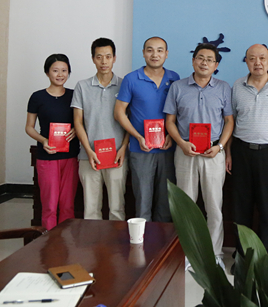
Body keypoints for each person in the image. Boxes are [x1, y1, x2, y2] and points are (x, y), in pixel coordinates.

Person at [165, 42, 234, 269]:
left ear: (216, 65)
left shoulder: (223, 88)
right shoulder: (177, 87)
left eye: (210, 60)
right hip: (185, 152)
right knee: (186, 206)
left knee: (214, 206)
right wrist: (181, 143)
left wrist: (220, 146)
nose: (205, 63)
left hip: (213, 153)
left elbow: (229, 121)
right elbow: (170, 121)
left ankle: (215, 254)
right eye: (201, 58)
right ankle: (187, 253)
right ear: (193, 60)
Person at [227, 44, 268, 252]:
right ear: (246, 61)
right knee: (241, 207)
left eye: (262, 58)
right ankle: (242, 255)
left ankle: (266, 254)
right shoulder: (237, 86)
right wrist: (228, 153)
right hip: (241, 151)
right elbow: (230, 121)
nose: (258, 63)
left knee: (267, 206)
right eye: (252, 58)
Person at [114, 36, 180, 222]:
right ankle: (142, 240)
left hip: (168, 148)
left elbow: (178, 112)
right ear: (143, 53)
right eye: (150, 50)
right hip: (140, 148)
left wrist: (172, 135)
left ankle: (163, 240)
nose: (155, 54)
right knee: (143, 202)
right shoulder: (131, 79)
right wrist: (137, 136)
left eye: (160, 50)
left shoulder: (174, 78)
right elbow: (119, 113)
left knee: (166, 202)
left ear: (166, 54)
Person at [71, 38, 128, 221]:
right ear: (93, 59)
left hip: (117, 156)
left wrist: (123, 148)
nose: (104, 61)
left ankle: (117, 241)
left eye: (108, 56)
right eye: (99, 57)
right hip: (88, 156)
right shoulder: (82, 86)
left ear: (114, 58)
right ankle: (92, 241)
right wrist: (88, 150)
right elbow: (78, 122)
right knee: (91, 209)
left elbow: (130, 121)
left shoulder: (125, 85)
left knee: (117, 208)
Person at [25, 54, 80, 230]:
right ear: (47, 72)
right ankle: (49, 241)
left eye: (64, 70)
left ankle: (66, 240)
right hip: (47, 156)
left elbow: (82, 121)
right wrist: (43, 140)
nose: (60, 74)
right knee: (49, 205)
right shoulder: (37, 97)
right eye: (55, 70)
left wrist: (76, 130)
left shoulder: (74, 95)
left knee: (67, 205)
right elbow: (29, 127)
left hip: (71, 156)